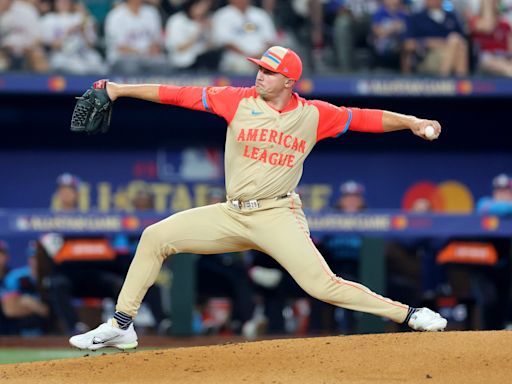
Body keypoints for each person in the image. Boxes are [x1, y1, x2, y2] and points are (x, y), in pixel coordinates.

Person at [69, 45, 446, 351]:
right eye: (259, 68)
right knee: (155, 237)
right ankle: (121, 326)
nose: (259, 74)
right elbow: (175, 94)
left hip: (278, 213)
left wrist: (412, 121)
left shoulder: (315, 115)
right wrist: (119, 90)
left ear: (289, 81)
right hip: (231, 213)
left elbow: (367, 117)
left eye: (268, 71)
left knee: (321, 285)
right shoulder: (236, 100)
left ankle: (409, 315)